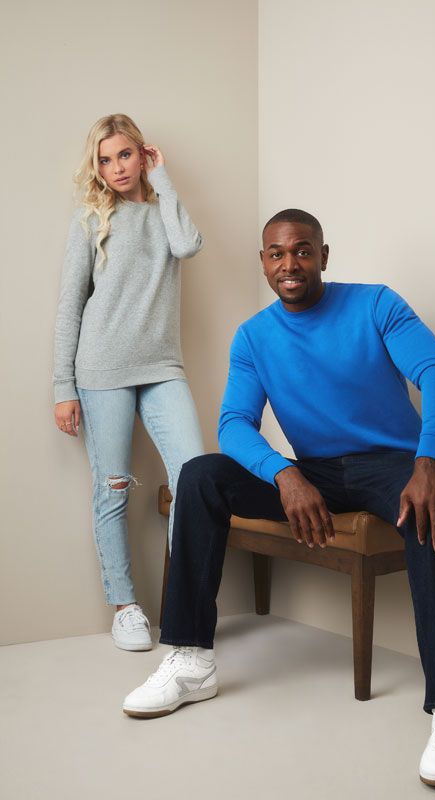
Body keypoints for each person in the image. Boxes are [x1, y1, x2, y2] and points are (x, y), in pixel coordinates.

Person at [123, 209, 435, 788]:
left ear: (323, 255)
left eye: (302, 250)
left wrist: (430, 461)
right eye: (277, 253)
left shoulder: (376, 304)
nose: (289, 263)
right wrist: (284, 475)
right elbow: (234, 424)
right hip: (312, 473)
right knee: (201, 474)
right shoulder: (254, 336)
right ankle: (191, 661)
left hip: (390, 464)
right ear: (263, 262)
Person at [53, 114, 204, 652]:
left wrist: (162, 180)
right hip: (102, 370)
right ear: (96, 166)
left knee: (194, 481)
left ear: (143, 155)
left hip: (162, 367)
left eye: (125, 154)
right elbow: (70, 307)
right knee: (113, 489)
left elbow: (188, 246)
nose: (116, 167)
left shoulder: (166, 215)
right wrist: (63, 387)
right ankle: (125, 608)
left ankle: (184, 608)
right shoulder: (90, 220)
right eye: (105, 159)